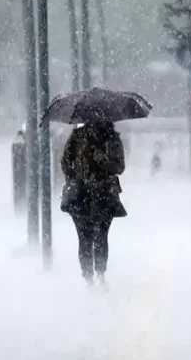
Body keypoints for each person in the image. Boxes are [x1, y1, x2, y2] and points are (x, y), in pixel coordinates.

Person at [60, 121, 127, 287]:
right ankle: (89, 276)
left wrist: (102, 159)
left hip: (104, 194)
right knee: (85, 237)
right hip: (80, 194)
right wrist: (78, 173)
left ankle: (100, 273)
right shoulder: (77, 137)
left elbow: (119, 167)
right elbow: (65, 163)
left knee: (100, 236)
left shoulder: (112, 138)